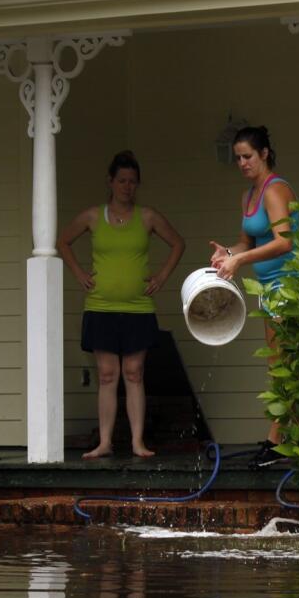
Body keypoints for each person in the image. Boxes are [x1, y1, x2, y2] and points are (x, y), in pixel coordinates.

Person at [57, 151, 186, 459]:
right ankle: (104, 442)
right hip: (100, 306)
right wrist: (79, 273)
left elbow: (178, 243)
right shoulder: (92, 216)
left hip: (137, 308)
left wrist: (161, 277)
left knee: (134, 371)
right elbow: (63, 241)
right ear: (110, 182)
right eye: (122, 181)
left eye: (133, 182)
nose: (127, 187)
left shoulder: (148, 217)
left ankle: (137, 442)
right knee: (106, 373)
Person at [208, 126, 299, 468]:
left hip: (292, 286)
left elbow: (284, 242)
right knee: (278, 366)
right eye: (237, 158)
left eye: (248, 156)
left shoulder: (276, 190)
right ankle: (289, 441)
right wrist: (227, 252)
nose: (242, 163)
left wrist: (239, 260)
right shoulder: (248, 196)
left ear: (264, 154)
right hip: (268, 289)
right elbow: (247, 242)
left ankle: (276, 443)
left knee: (283, 367)